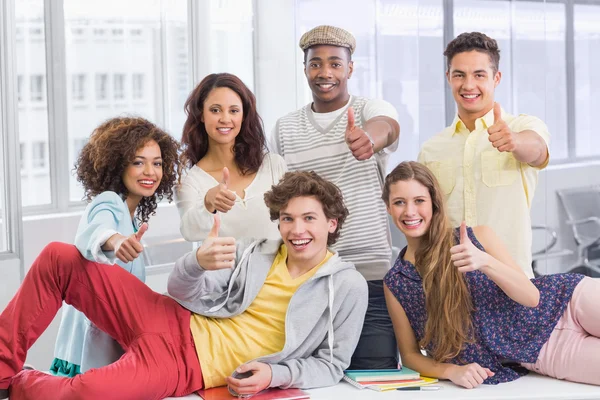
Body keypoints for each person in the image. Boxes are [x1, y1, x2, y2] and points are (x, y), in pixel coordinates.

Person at [0, 171, 367, 400]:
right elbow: (180, 290)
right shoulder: (257, 253)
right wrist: (197, 262)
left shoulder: (347, 284)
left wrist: (275, 373)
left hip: (185, 365)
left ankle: (15, 387)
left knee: (90, 392)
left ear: (332, 223)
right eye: (287, 219)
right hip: (169, 318)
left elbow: (331, 365)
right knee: (59, 257)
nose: (297, 230)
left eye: (309, 219)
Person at [382, 161, 599, 389]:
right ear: (388, 207)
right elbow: (409, 355)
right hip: (546, 352)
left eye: (419, 201)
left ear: (434, 203)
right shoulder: (397, 282)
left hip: (569, 300)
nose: (410, 211)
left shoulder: (478, 237)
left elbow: (532, 297)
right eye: (399, 202)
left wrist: (485, 262)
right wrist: (451, 370)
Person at [271, 25, 401, 370]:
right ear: (305, 69)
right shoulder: (285, 128)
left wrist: (368, 140)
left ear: (350, 68)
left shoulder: (368, 109)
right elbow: (286, 199)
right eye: (316, 64)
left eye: (335, 64)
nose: (325, 73)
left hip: (369, 273)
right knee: (311, 374)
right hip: (311, 278)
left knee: (375, 372)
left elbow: (388, 126)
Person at [50, 117, 180, 377]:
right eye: (138, 162)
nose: (150, 172)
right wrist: (115, 241)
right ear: (117, 165)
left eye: (157, 163)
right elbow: (95, 232)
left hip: (110, 343)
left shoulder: (130, 216)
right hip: (89, 346)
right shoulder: (108, 202)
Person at [418, 32, 550, 278]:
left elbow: (538, 150)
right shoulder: (431, 149)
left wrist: (516, 141)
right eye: (459, 75)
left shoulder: (521, 127)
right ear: (448, 78)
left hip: (512, 280)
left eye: (479, 75)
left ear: (496, 78)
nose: (468, 85)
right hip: (451, 283)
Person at [177, 73, 286, 242]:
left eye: (234, 111)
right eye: (215, 110)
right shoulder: (189, 180)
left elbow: (294, 221)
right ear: (201, 114)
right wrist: (207, 204)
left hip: (279, 269)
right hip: (224, 269)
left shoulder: (273, 165)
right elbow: (190, 232)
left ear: (243, 116)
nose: (225, 119)